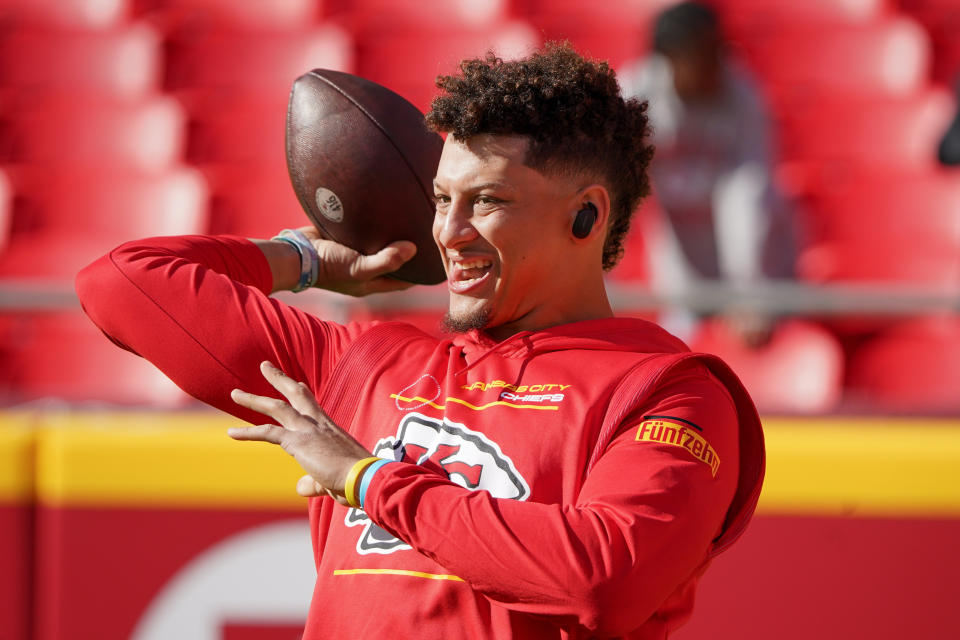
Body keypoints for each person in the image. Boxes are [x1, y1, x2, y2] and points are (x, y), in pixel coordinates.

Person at [76, 44, 764, 639]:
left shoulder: (670, 390)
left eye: (487, 201)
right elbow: (121, 284)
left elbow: (605, 579)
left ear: (586, 214)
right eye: (441, 199)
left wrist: (365, 478)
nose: (449, 232)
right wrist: (305, 259)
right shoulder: (363, 363)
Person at [619, 2, 797, 341]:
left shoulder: (743, 94)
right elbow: (615, 187)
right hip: (680, 242)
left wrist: (749, 289)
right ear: (669, 58)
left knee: (759, 339)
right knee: (684, 334)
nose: (717, 62)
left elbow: (751, 192)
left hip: (758, 248)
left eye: (719, 48)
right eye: (704, 52)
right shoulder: (636, 94)